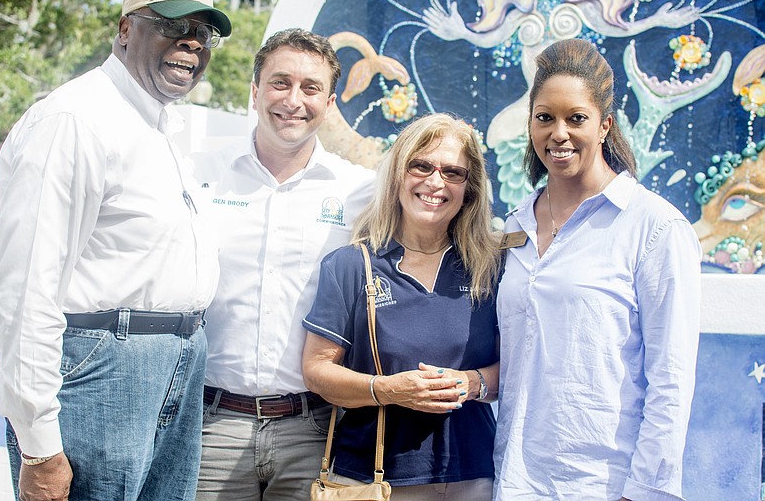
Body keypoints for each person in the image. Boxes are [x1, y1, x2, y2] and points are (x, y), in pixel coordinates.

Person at [0, 0, 231, 501]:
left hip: (177, 363)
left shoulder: (159, 127)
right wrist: (39, 446)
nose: (191, 44)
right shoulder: (76, 119)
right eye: (172, 26)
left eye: (203, 32)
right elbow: (25, 288)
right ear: (125, 29)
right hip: (101, 373)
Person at [494, 38, 701, 500]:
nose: (558, 132)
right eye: (545, 117)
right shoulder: (515, 225)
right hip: (513, 477)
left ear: (605, 125)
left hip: (600, 485)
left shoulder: (654, 227)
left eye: (577, 118)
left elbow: (672, 377)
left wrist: (644, 491)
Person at [192, 28, 375, 500]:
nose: (294, 100)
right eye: (280, 83)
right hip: (211, 425)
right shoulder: (198, 176)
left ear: (330, 103)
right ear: (254, 92)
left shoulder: (359, 193)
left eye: (311, 88)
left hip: (313, 429)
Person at [301, 113, 502, 500]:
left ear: (469, 189)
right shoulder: (351, 265)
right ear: (397, 176)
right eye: (420, 166)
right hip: (374, 480)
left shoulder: (490, 270)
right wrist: (388, 390)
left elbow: (521, 365)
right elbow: (317, 371)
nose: (435, 182)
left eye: (452, 172)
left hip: (472, 475)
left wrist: (473, 383)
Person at [422, 0, 699, 209]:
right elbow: (486, 36)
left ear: (604, 126)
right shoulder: (521, 223)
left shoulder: (654, 221)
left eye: (577, 119)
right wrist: (456, 30)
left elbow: (620, 27)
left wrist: (659, 21)